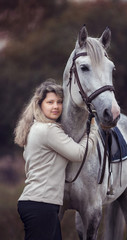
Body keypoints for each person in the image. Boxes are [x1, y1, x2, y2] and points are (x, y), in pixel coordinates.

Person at [14, 79, 97, 240]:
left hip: (37, 203)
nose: (56, 106)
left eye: (60, 102)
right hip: (41, 205)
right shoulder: (49, 130)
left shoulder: (35, 128)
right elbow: (79, 153)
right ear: (40, 105)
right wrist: (92, 128)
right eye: (50, 102)